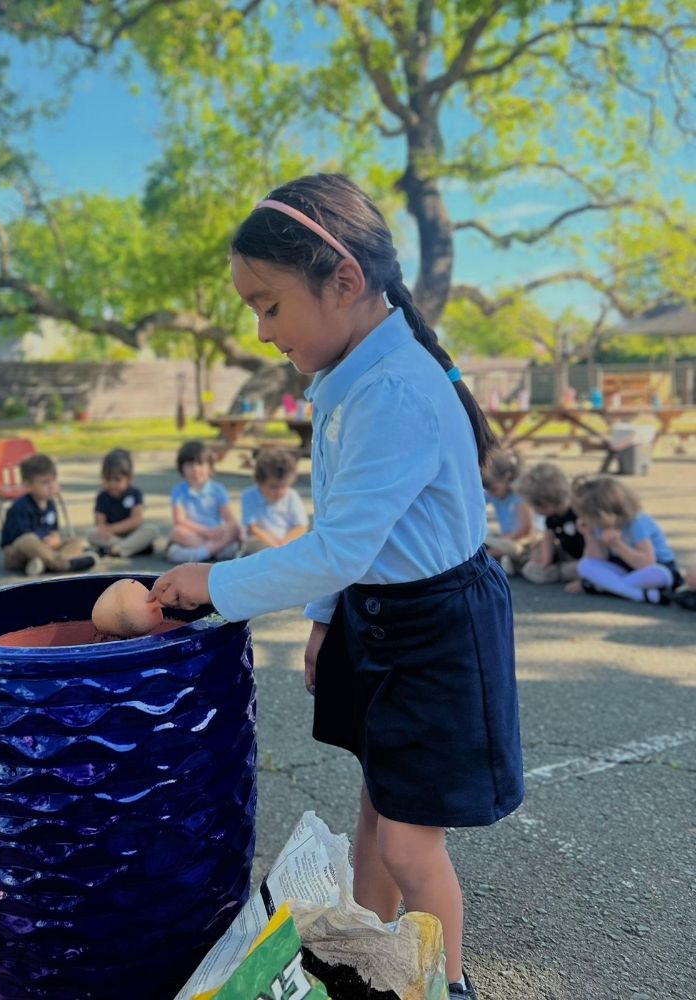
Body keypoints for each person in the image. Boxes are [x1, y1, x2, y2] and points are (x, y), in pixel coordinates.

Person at [149, 174, 522, 1000]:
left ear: (344, 282)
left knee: (408, 847)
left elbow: (341, 546)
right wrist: (326, 619)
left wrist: (213, 581)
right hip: (380, 613)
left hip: (436, 633)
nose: (260, 329)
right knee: (375, 817)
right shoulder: (351, 370)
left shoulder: (393, 389)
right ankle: (378, 963)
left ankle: (444, 986)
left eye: (269, 305)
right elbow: (348, 527)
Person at [568, 475, 682, 603]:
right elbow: (598, 558)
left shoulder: (637, 522)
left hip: (654, 568)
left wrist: (617, 545)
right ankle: (638, 595)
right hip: (623, 570)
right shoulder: (597, 523)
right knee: (584, 565)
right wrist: (589, 534)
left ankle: (605, 587)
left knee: (659, 574)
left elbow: (647, 563)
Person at [0, 453, 96, 575]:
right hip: (19, 553)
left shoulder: (51, 504)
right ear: (28, 486)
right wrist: (43, 542)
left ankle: (44, 564)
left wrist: (55, 538)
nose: (51, 486)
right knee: (28, 540)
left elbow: (53, 530)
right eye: (45, 482)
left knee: (76, 542)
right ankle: (64, 564)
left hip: (45, 551)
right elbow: (22, 538)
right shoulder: (20, 507)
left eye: (53, 481)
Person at [165, 440, 242, 563]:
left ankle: (202, 553)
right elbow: (179, 520)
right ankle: (214, 552)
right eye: (190, 465)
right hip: (193, 534)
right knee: (177, 532)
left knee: (235, 528)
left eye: (200, 464)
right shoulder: (178, 490)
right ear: (181, 468)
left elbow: (230, 519)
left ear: (210, 467)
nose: (195, 469)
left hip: (215, 533)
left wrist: (217, 531)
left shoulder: (217, 489)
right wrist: (205, 532)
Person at [514, 461, 582, 585]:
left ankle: (566, 573)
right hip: (566, 553)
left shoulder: (579, 512)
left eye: (534, 506)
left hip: (585, 559)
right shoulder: (551, 517)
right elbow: (548, 539)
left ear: (545, 504)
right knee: (537, 553)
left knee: (582, 568)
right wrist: (544, 563)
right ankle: (524, 561)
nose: (534, 511)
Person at [88, 448, 159, 558]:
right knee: (92, 534)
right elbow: (99, 523)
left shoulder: (135, 493)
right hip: (112, 536)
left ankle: (119, 549)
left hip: (133, 533)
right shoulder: (102, 497)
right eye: (107, 479)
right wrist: (105, 530)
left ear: (130, 478)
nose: (112, 484)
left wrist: (112, 528)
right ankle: (130, 548)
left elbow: (137, 520)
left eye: (117, 479)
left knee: (152, 530)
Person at [240, 448, 309, 554]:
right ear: (259, 481)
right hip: (261, 545)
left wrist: (283, 543)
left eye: (284, 486)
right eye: (273, 487)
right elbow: (253, 528)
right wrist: (274, 546)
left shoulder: (291, 496)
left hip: (287, 544)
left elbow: (301, 526)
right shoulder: (248, 496)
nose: (279, 491)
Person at [481, 448, 538, 576]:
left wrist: (504, 539)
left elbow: (526, 530)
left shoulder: (519, 497)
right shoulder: (494, 492)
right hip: (506, 538)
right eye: (488, 489)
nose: (491, 493)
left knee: (505, 547)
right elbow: (475, 501)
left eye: (494, 489)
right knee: (485, 538)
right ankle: (502, 560)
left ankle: (491, 559)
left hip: (524, 542)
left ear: (507, 479)